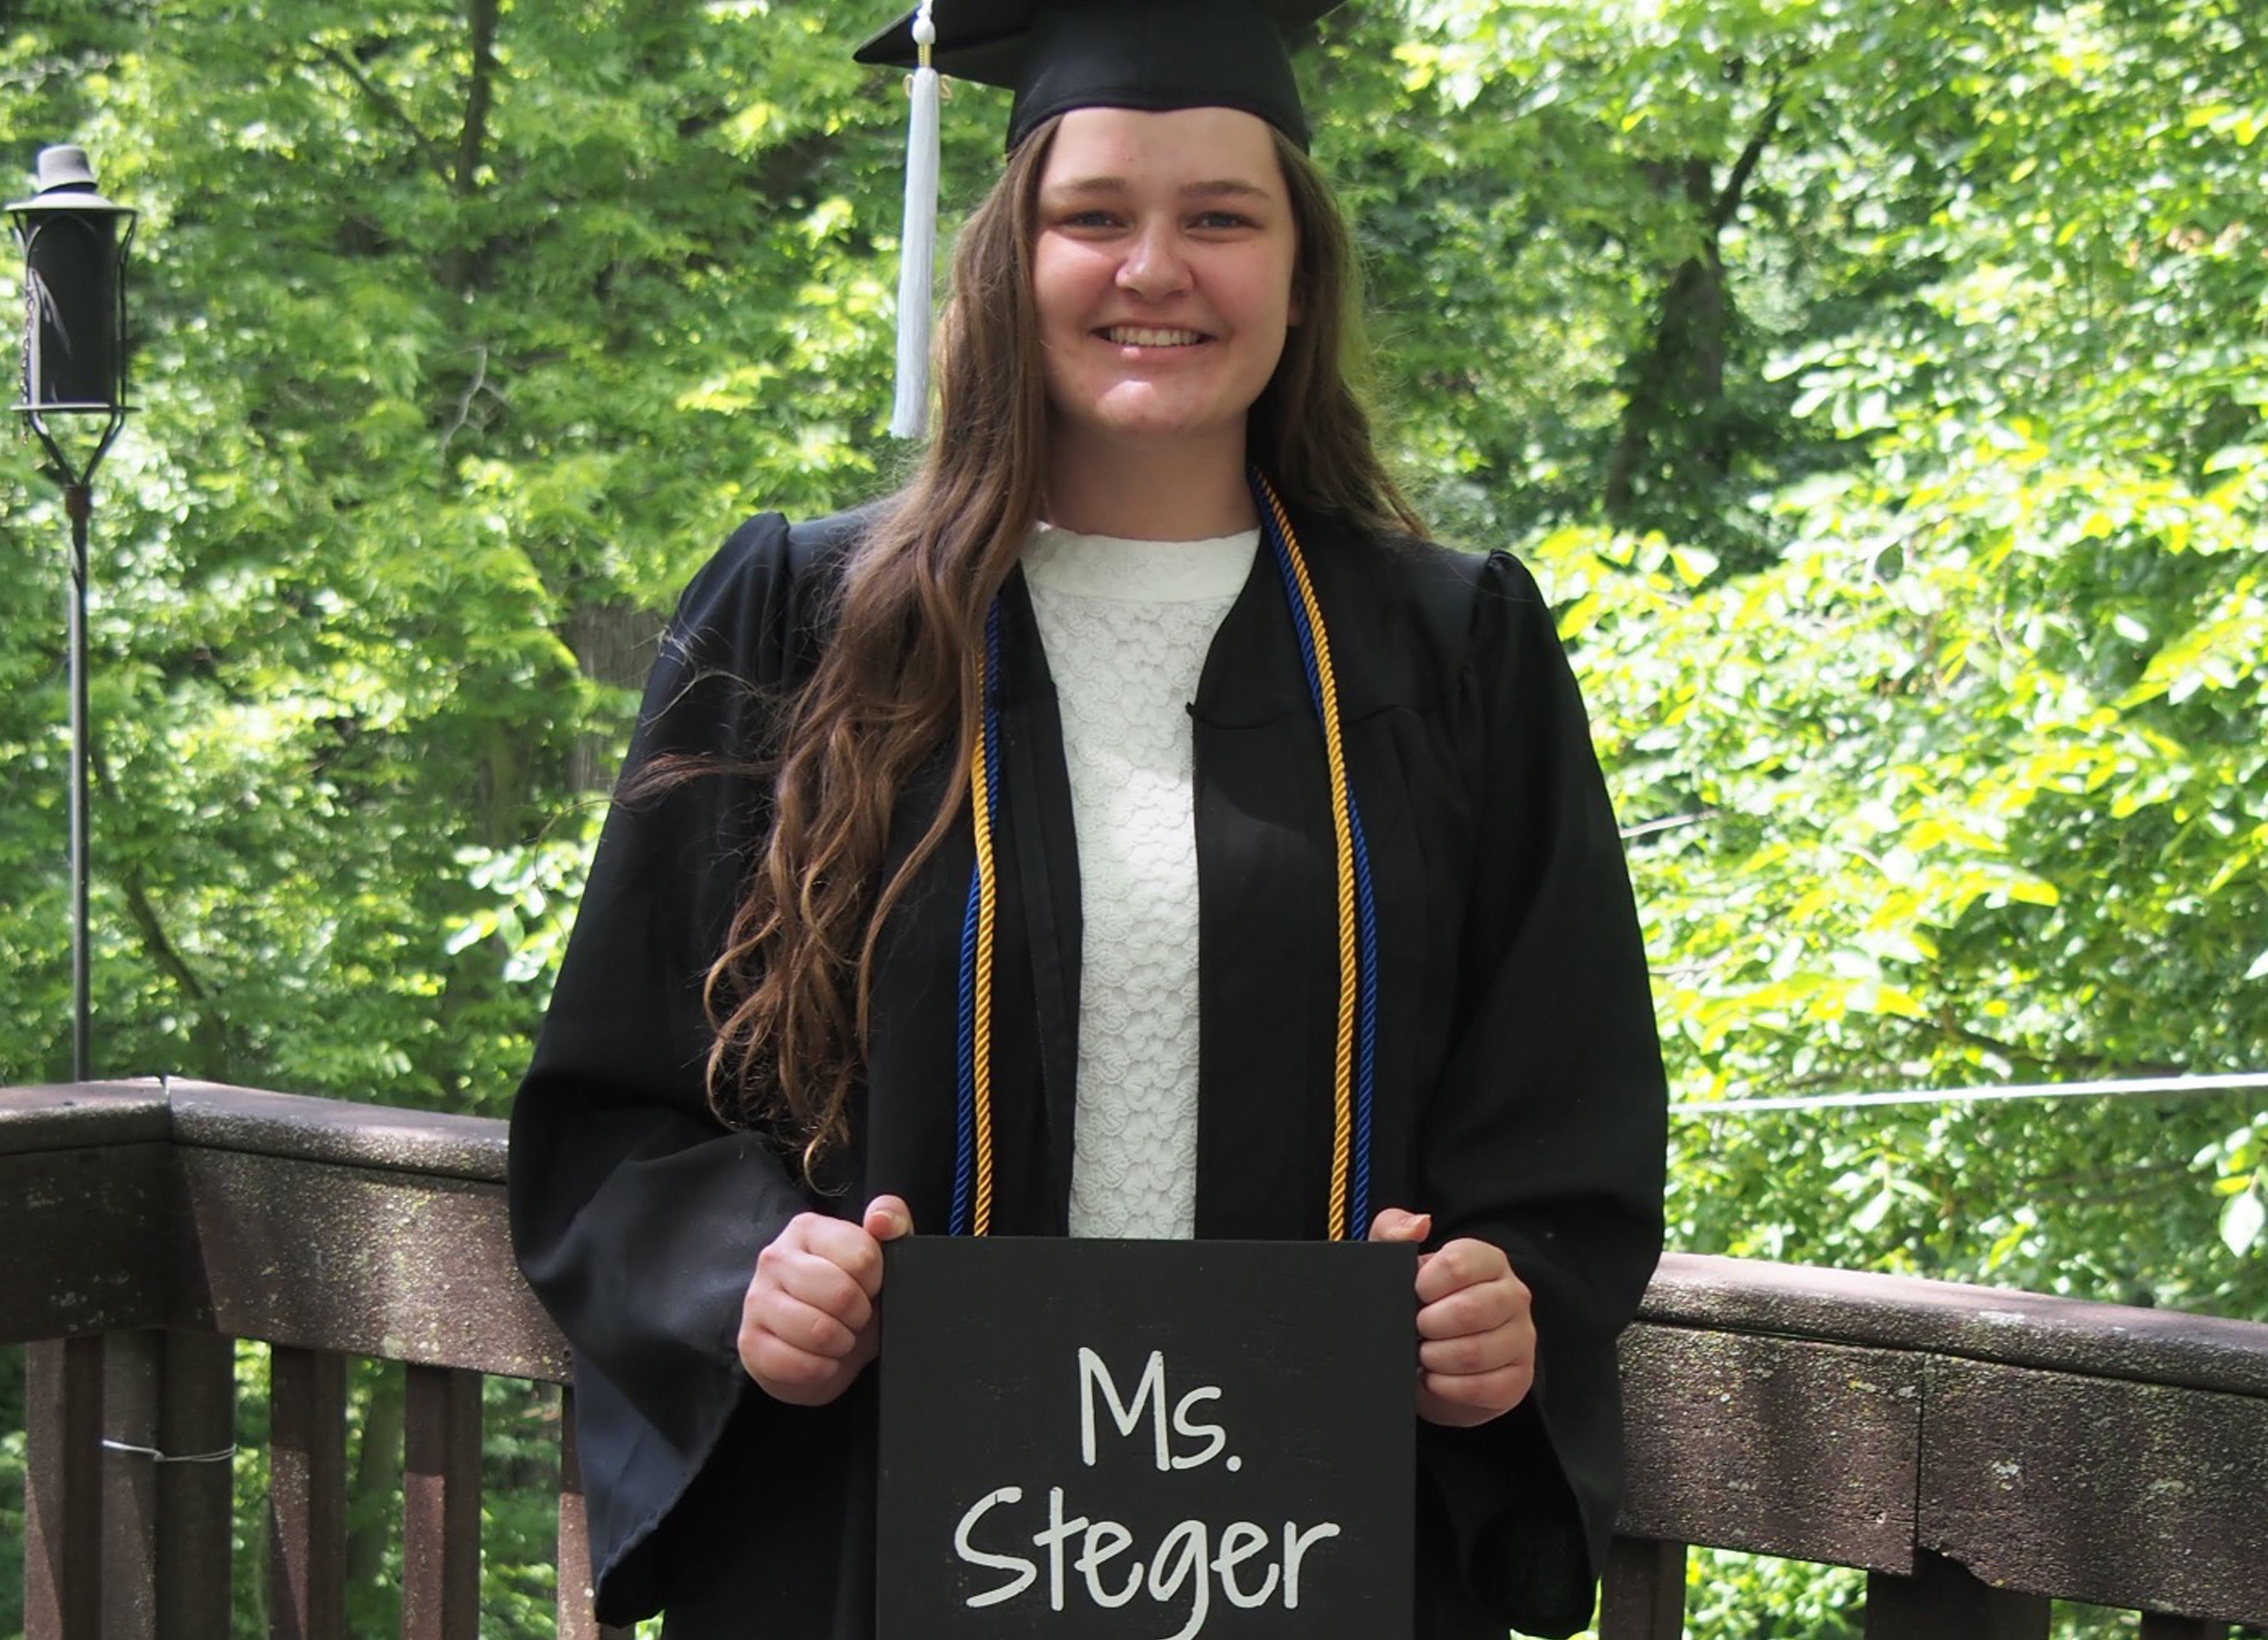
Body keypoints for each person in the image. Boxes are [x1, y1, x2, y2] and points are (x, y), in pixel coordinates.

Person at [506, 2, 1669, 1635]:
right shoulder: (807, 620)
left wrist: (1511, 1301)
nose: (1155, 269)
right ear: (1008, 256)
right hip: (883, 1547)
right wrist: (743, 1275)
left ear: (1299, 270)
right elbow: (619, 1107)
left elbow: (1569, 1107)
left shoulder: (1451, 650)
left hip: (1304, 1556)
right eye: (1095, 216)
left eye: (1220, 218)